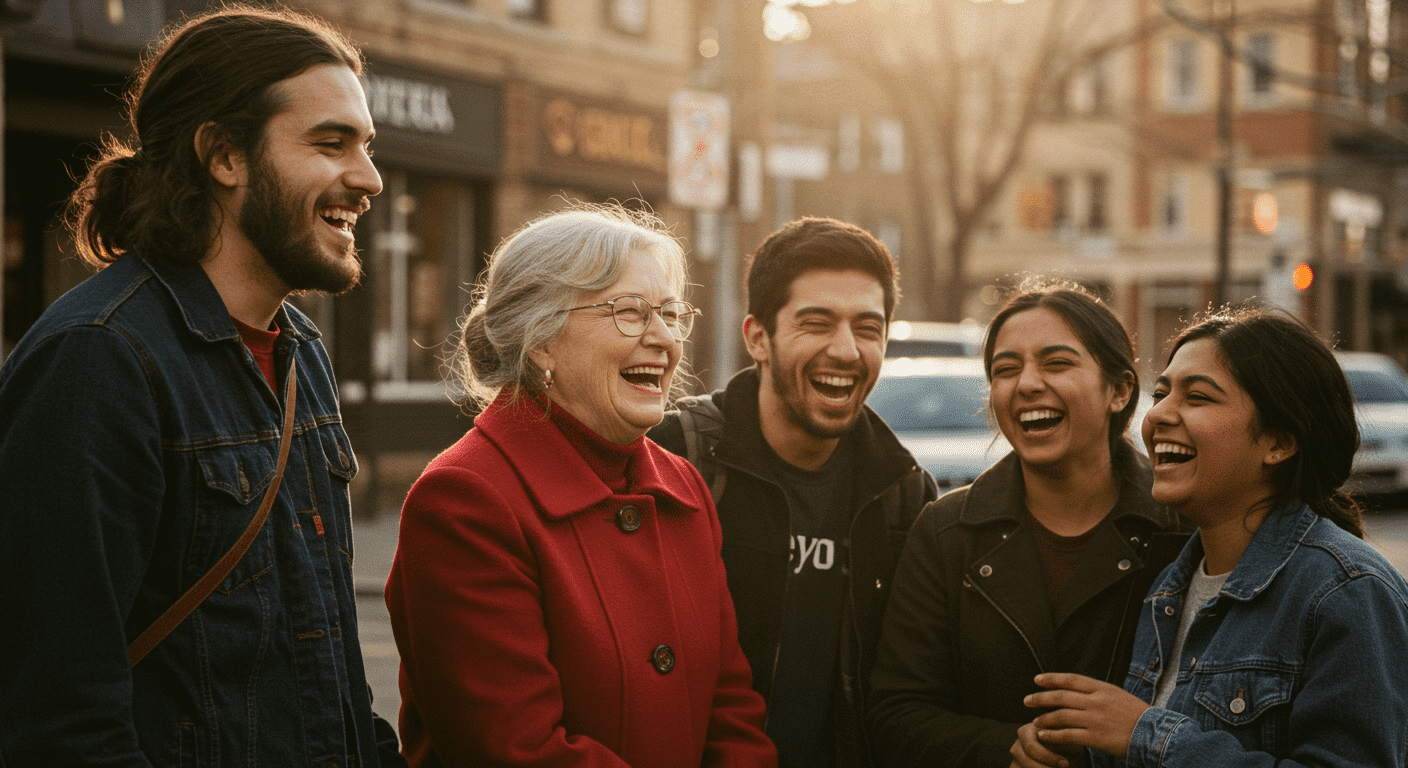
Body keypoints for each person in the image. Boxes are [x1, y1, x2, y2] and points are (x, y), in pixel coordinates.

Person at [0, 6, 404, 767]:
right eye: (331, 142)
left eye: (367, 146)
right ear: (224, 155)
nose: (370, 178)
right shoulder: (98, 359)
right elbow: (57, 719)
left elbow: (334, 678)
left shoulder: (300, 351)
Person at [384, 205, 776, 767]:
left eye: (670, 314)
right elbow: (515, 749)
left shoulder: (684, 486)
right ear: (540, 340)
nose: (664, 338)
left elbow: (733, 710)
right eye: (630, 312)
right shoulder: (464, 501)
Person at [1015, 305, 1408, 768]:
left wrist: (1146, 734)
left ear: (1278, 442)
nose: (1160, 414)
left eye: (1197, 397)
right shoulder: (1167, 588)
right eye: (1160, 393)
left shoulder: (1347, 591)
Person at [648, 216, 939, 768]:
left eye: (868, 328)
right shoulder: (674, 458)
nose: (848, 350)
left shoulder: (903, 495)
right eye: (817, 323)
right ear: (758, 337)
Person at [865, 281, 1192, 768]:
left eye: (1057, 363)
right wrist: (1006, 751)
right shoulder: (945, 530)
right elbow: (897, 714)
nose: (1027, 384)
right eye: (1005, 369)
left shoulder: (1184, 530)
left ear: (1120, 390)